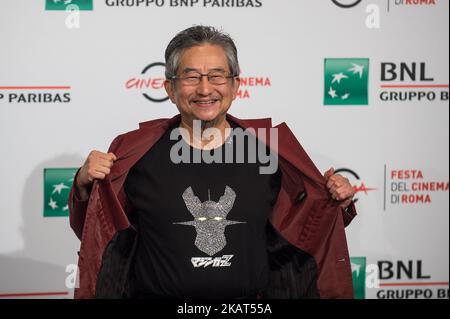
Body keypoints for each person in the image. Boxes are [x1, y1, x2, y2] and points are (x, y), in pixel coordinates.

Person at [69, 25, 356, 299]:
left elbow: (305, 229)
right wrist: (83, 185)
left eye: (217, 76)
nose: (205, 89)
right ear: (170, 88)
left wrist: (334, 199)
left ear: (235, 85)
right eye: (191, 77)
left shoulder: (270, 151)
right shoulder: (133, 153)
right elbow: (97, 233)